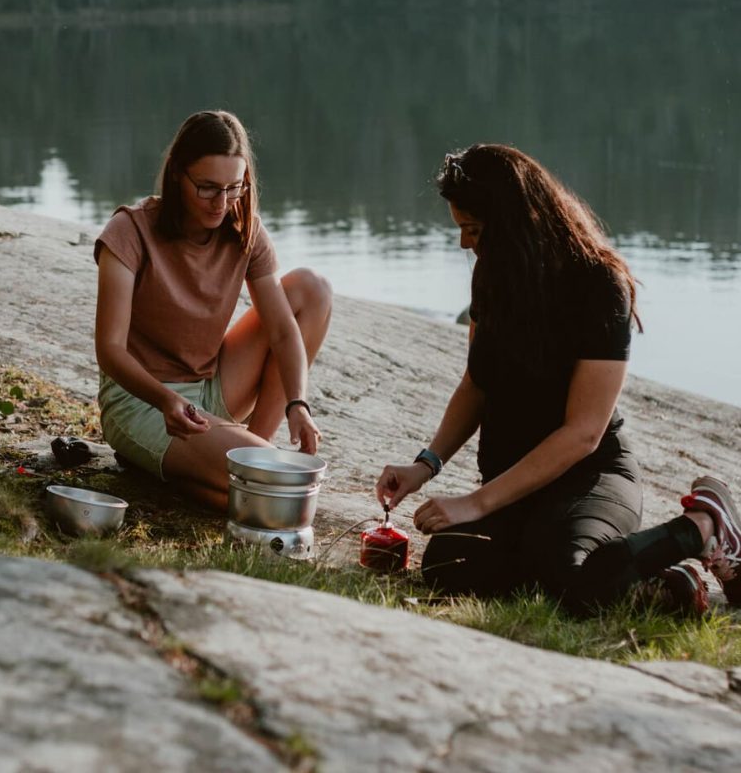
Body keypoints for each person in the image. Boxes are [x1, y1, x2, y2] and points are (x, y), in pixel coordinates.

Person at [375, 144, 741, 616]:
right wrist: (425, 465)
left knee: (565, 574)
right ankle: (664, 581)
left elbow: (583, 433)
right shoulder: (494, 273)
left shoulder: (599, 284)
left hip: (589, 477)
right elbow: (477, 383)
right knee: (450, 563)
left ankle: (704, 525)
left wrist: (477, 502)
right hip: (515, 485)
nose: (466, 244)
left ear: (514, 224)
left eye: (474, 230)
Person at [94, 110, 332, 511]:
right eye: (206, 188)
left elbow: (283, 330)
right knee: (277, 491)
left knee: (312, 289)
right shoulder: (128, 232)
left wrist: (299, 404)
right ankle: (232, 471)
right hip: (145, 402)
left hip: (212, 388)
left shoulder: (244, 230)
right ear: (176, 174)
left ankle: (249, 452)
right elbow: (110, 350)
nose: (221, 203)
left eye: (233, 188)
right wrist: (167, 401)